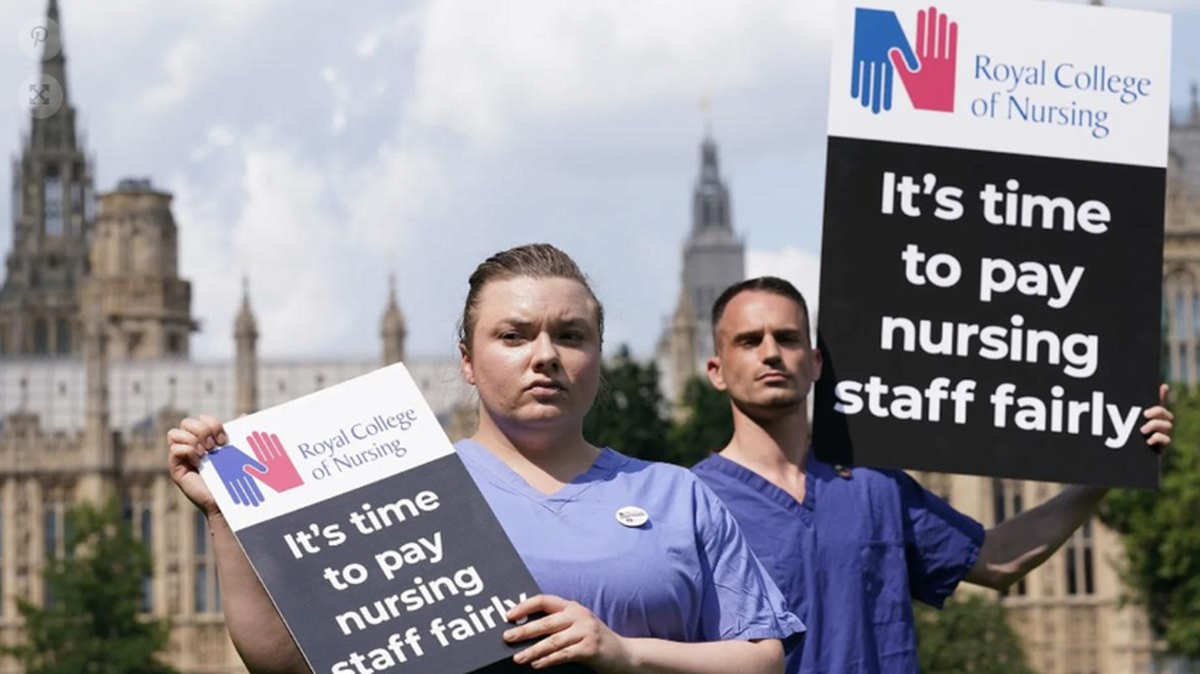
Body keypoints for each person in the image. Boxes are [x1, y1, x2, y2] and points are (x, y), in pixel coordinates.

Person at [168, 245, 802, 674]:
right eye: (514, 336)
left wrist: (623, 652)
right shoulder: (404, 487)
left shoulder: (675, 495)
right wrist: (226, 516)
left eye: (571, 335)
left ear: (598, 357)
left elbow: (763, 658)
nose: (546, 355)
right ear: (467, 360)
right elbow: (288, 661)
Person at [689, 276, 1174, 674]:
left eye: (788, 337)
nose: (771, 352)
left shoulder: (875, 484)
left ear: (815, 362)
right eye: (750, 341)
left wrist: (1113, 465)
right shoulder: (692, 501)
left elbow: (1000, 559)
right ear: (716, 368)